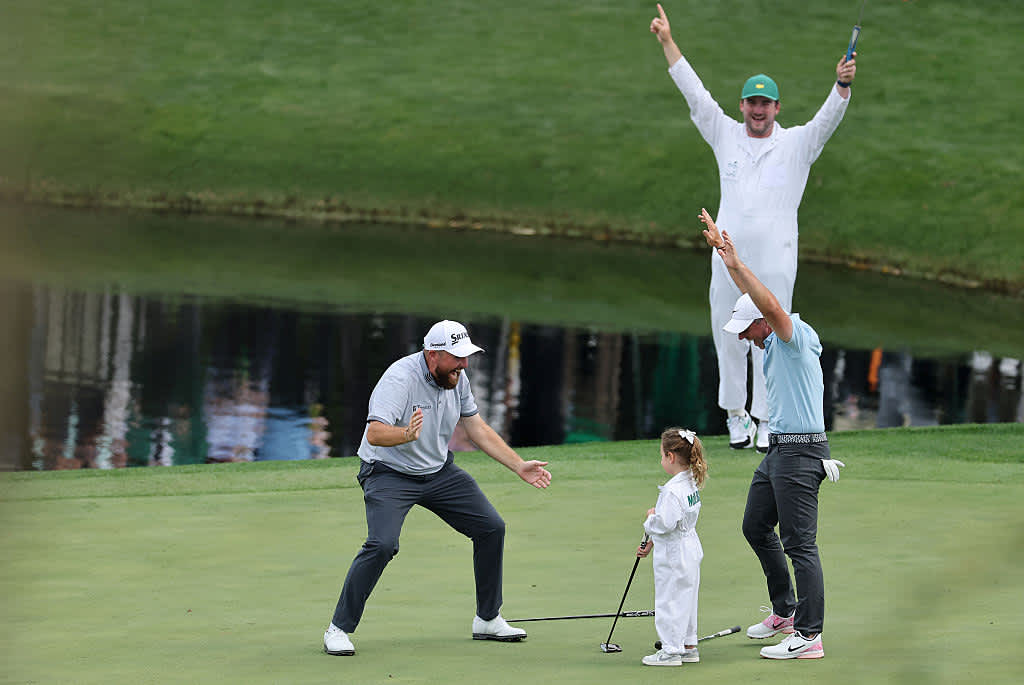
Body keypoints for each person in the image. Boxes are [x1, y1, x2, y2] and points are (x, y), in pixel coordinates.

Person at [650, 3, 857, 452]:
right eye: (752, 102)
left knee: (774, 338)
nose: (758, 110)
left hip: (776, 260)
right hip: (727, 257)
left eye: (765, 103)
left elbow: (827, 121)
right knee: (729, 334)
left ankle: (767, 418)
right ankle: (736, 416)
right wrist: (668, 42)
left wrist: (841, 85)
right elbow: (697, 95)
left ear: (777, 107)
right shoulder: (725, 133)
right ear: (742, 105)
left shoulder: (797, 142)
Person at [323, 320, 553, 656]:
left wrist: (518, 465)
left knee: (491, 528)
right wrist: (405, 434)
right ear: (433, 355)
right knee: (383, 544)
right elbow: (374, 434)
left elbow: (476, 428)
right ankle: (338, 628)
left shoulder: (456, 379)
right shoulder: (400, 379)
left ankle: (487, 619)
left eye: (466, 357)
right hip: (389, 472)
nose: (464, 364)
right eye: (457, 357)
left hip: (438, 472)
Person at [699, 208, 844, 659]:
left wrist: (739, 264)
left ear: (762, 321)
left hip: (801, 454)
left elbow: (771, 306)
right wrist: (728, 263)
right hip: (779, 452)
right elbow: (758, 305)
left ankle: (809, 636)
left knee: (800, 543)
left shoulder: (790, 335)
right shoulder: (769, 341)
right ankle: (785, 611)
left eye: (746, 329)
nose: (744, 337)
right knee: (756, 525)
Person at [636, 427, 708, 667]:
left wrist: (650, 517)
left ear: (671, 457)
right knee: (686, 598)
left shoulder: (671, 490)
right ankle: (688, 645)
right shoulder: (691, 482)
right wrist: (652, 541)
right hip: (690, 548)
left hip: (674, 554)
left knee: (669, 600)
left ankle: (670, 650)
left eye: (661, 455)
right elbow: (678, 522)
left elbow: (665, 523)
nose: (661, 460)